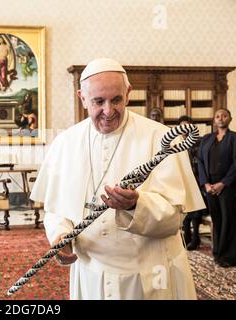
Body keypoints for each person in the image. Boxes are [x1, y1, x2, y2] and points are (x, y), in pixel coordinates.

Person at [30, 58, 205, 300]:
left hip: (148, 273)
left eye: (116, 99)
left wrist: (136, 205)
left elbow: (174, 219)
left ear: (128, 93)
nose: (108, 111)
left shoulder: (160, 138)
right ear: (82, 98)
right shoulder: (65, 143)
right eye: (98, 101)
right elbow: (55, 209)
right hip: (91, 271)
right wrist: (60, 235)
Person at [197, 108, 236, 268]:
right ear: (214, 120)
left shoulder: (234, 138)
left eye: (224, 116)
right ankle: (217, 252)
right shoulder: (207, 139)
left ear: (230, 118)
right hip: (210, 186)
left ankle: (229, 256)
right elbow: (199, 161)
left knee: (229, 220)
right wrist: (206, 183)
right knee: (217, 219)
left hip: (228, 186)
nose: (221, 118)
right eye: (218, 116)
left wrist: (223, 183)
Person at [178, 116, 207, 250]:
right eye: (182, 126)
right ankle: (187, 236)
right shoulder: (176, 143)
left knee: (195, 211)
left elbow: (201, 161)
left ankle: (196, 238)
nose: (184, 129)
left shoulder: (198, 142)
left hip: (195, 179)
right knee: (184, 210)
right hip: (181, 180)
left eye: (187, 126)